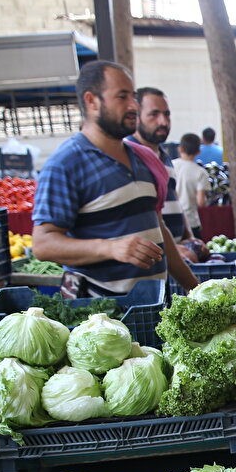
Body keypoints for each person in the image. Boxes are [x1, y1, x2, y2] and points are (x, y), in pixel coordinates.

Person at [32, 60, 198, 297]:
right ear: (92, 101)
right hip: (102, 317)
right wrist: (110, 248)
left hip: (154, 309)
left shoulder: (144, 159)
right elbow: (43, 244)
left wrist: (195, 288)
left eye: (133, 97)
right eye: (122, 97)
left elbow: (158, 229)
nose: (133, 106)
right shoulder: (66, 164)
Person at [126, 86, 203, 262]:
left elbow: (174, 200)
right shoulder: (127, 155)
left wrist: (188, 237)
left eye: (167, 114)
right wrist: (169, 249)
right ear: (136, 117)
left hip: (177, 256)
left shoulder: (165, 157)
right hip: (152, 258)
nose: (163, 121)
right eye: (154, 114)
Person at [173, 132, 211, 244]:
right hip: (191, 221)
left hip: (171, 219)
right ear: (198, 152)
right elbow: (201, 202)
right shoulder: (200, 172)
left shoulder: (169, 165)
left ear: (180, 149)